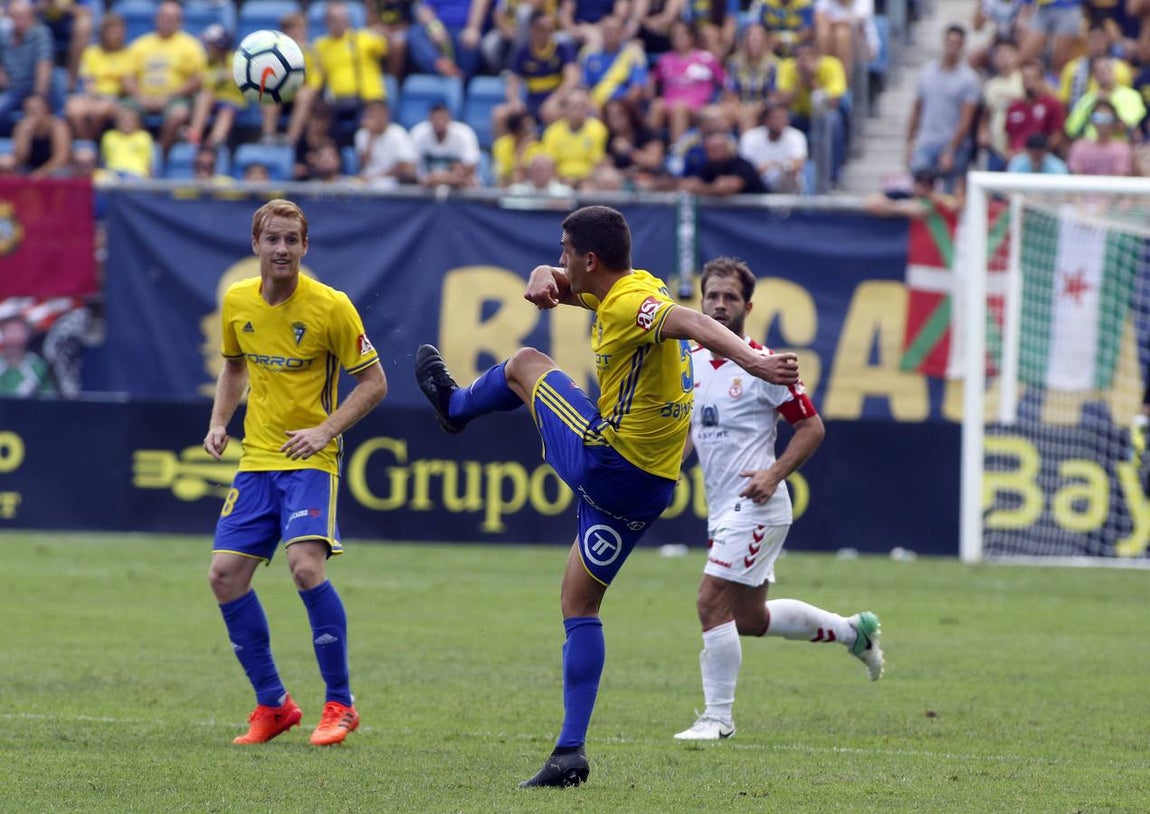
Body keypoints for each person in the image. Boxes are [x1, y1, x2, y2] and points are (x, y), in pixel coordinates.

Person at [413, 205, 802, 787]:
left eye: (564, 248)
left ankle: (453, 407)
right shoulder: (626, 286)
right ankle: (569, 755)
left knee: (524, 364)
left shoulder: (630, 304)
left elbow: (690, 323)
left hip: (609, 460)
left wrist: (754, 360)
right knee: (579, 603)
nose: (561, 256)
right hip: (650, 488)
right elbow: (578, 290)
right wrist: (546, 272)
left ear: (590, 258)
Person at [673, 256, 882, 741]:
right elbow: (690, 430)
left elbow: (812, 427)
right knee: (748, 619)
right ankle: (855, 632)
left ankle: (717, 719)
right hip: (724, 507)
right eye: (712, 297)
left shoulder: (767, 365)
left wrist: (774, 472)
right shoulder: (690, 362)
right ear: (701, 302)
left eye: (729, 298)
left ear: (748, 305)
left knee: (710, 602)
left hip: (760, 504)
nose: (720, 305)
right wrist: (666, 473)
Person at [203, 199, 387, 747]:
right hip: (257, 460)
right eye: (272, 239)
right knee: (224, 576)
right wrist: (218, 422)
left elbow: (374, 382)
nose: (281, 249)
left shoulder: (332, 308)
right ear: (255, 244)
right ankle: (273, 704)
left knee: (306, 568)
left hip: (310, 460)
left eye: (291, 240)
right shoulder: (238, 302)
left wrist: (325, 431)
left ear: (305, 247)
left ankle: (341, 704)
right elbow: (235, 366)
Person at [0, 313, 56, 397]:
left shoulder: (39, 367)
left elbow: (49, 399)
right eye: (9, 330)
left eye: (18, 331)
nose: (13, 336)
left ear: (28, 334)